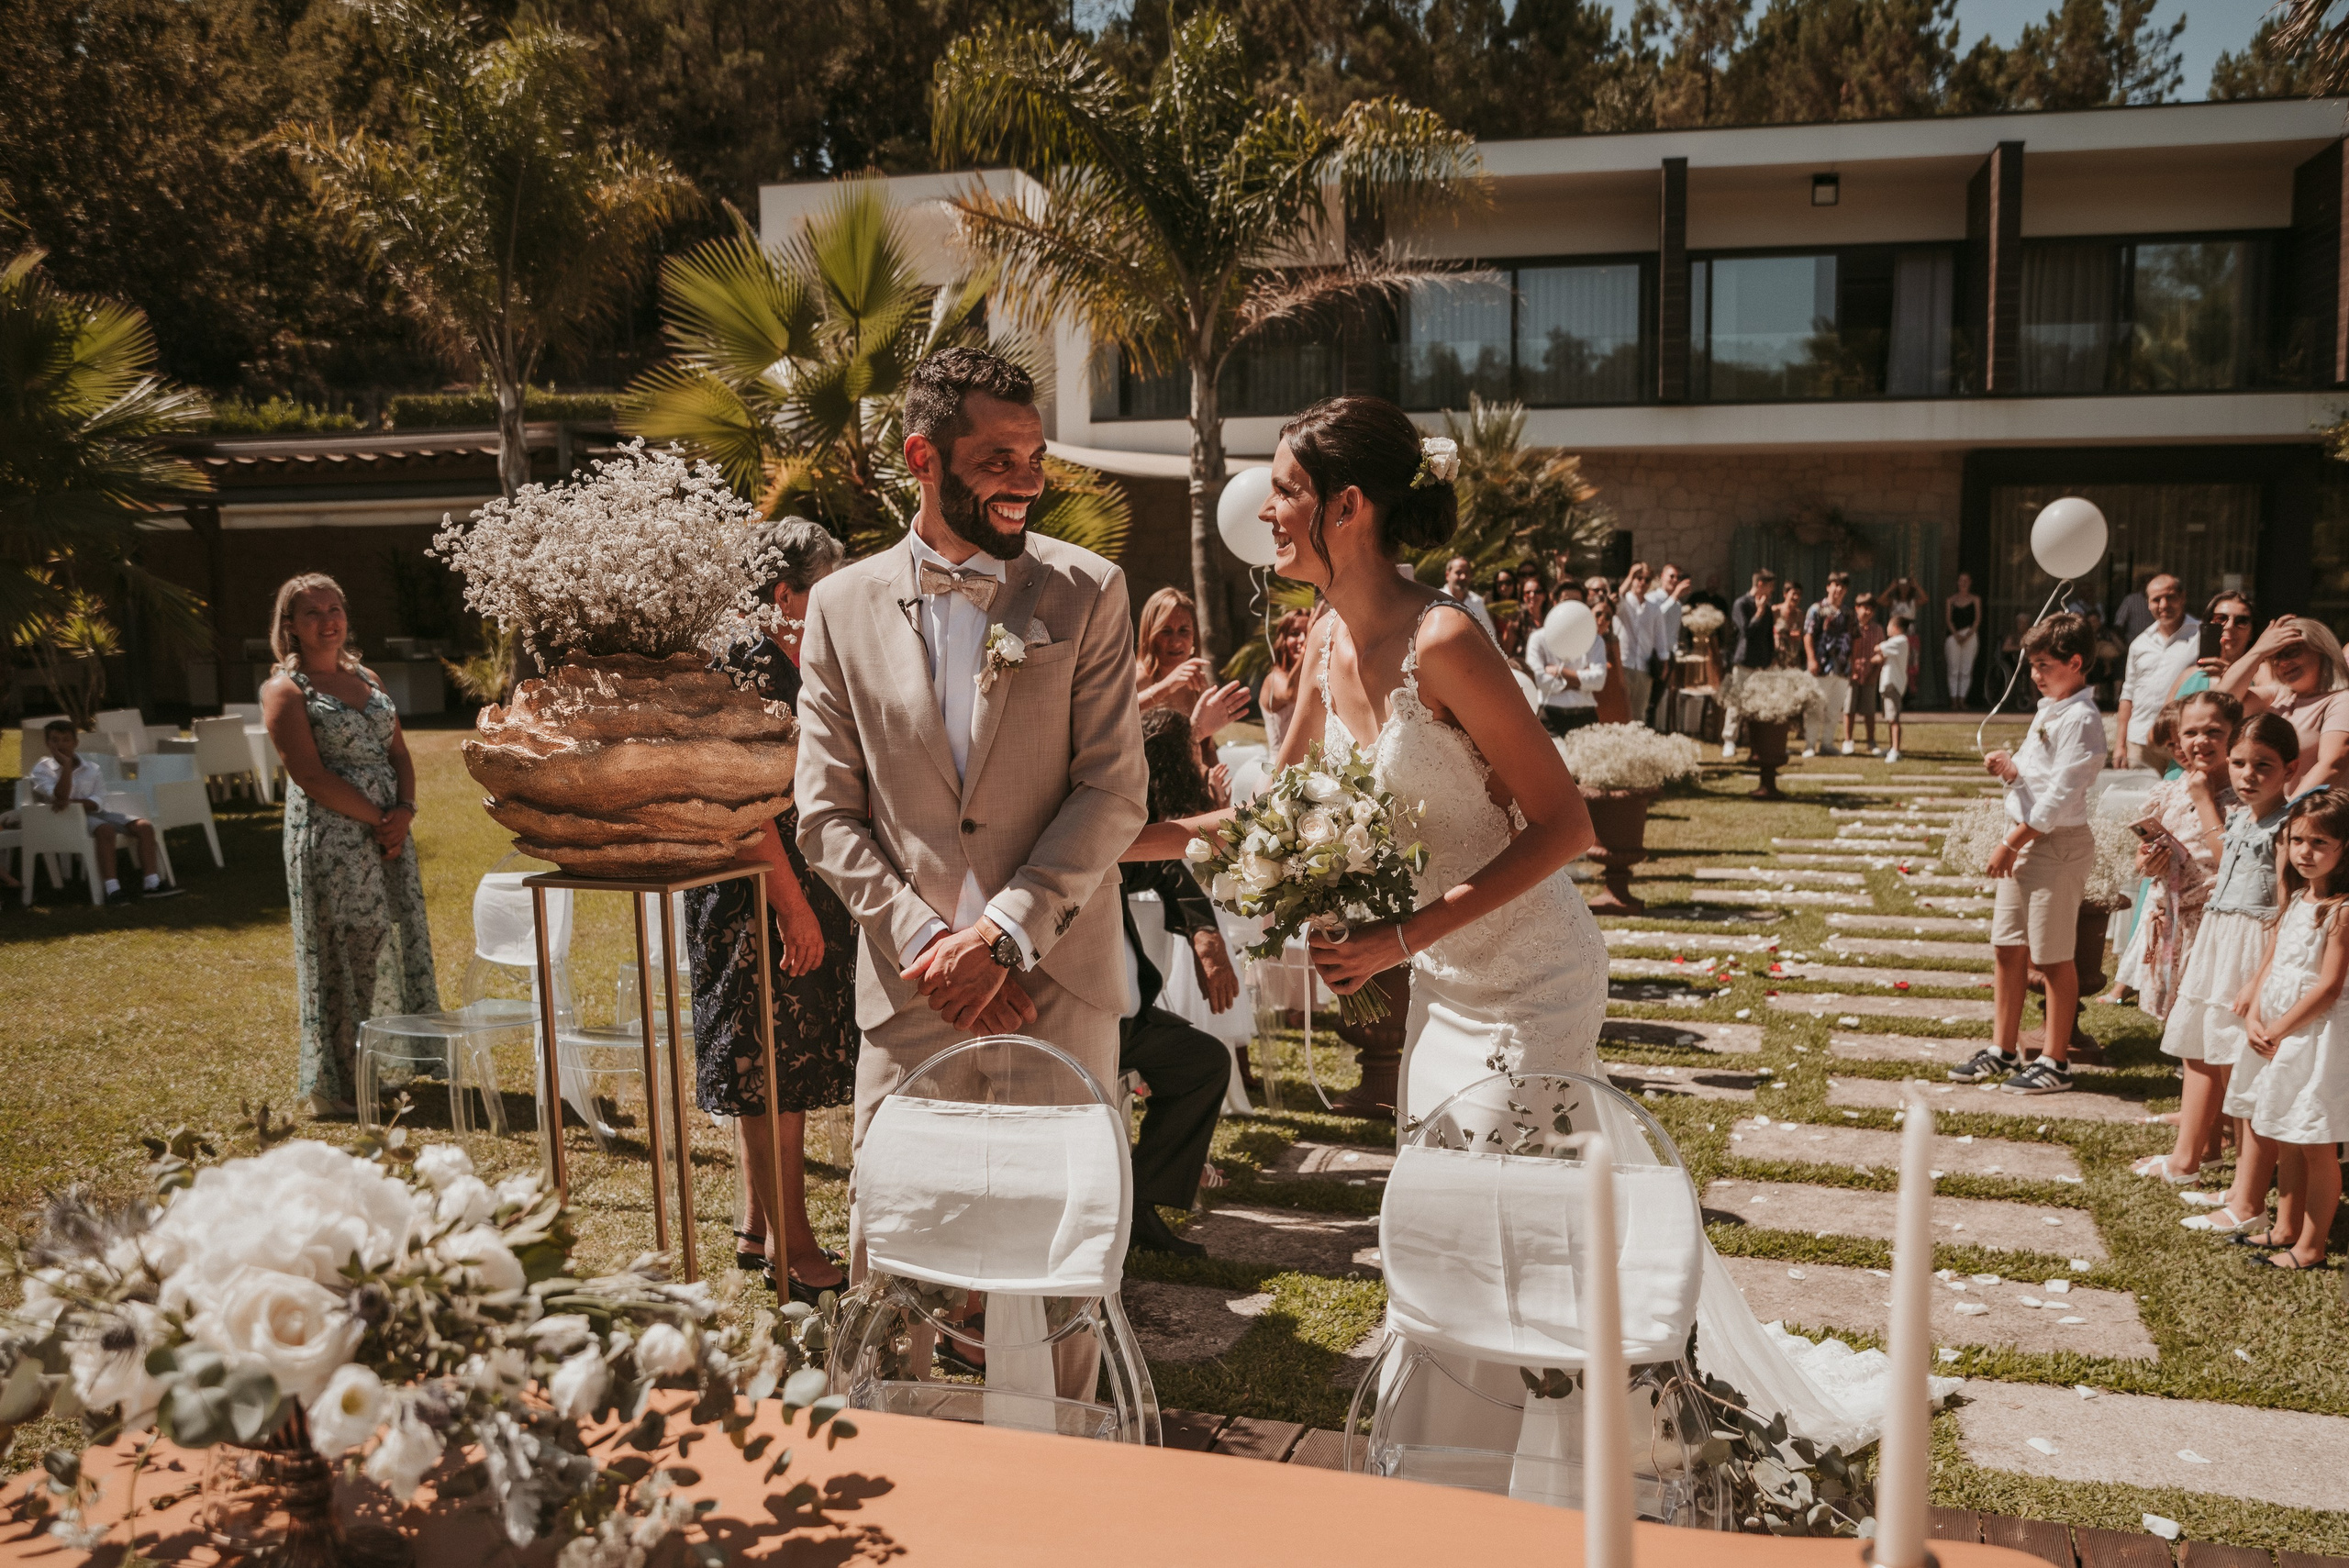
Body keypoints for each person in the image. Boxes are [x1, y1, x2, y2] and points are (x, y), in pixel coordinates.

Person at [1127, 392, 1923, 1452]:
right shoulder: (1319, 639)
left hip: (1533, 973)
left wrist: (1397, 938)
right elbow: (1272, 810)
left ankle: (1563, 1441)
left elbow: (1568, 824)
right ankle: (1478, 1443)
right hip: (1442, 987)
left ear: (1348, 504)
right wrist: (1112, 844)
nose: (1265, 509)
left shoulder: (1445, 640)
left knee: (1490, 1219)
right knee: (1453, 1217)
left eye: (1283, 490)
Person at [793, 344, 1149, 1400]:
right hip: (911, 1005)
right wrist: (924, 949)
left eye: (1033, 454)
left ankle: (1070, 1485)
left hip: (1056, 985)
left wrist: (998, 937)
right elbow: (826, 809)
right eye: (997, 454)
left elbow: (1112, 792)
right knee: (890, 1261)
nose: (1026, 477)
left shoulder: (1089, 593)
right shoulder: (839, 606)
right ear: (922, 454)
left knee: (1065, 1267)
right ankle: (899, 1481)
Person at [684, 517, 854, 1303]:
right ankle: (797, 1248)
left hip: (786, 886)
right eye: (826, 589)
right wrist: (794, 908)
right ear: (784, 595)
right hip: (760, 891)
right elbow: (748, 803)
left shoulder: (790, 657)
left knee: (770, 1066)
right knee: (773, 1073)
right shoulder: (746, 667)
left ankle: (757, 1224)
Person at [260, 573, 437, 1118]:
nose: (328, 620)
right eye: (312, 612)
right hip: (334, 837)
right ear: (289, 626)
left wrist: (403, 814)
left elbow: (399, 754)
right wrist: (381, 818)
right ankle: (334, 1085)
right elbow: (309, 776)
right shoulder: (286, 692)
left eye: (334, 608)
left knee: (378, 943)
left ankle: (368, 1067)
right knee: (340, 949)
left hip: (388, 833)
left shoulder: (367, 676)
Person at [1952, 613, 2107, 1095]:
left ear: (2075, 662)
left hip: (2054, 845)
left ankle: (2055, 1060)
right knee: (2007, 946)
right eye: (2033, 665)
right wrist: (2012, 770)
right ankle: (2002, 1048)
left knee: (2054, 956)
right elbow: (2039, 778)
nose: (2035, 675)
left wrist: (2009, 842)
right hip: (2027, 839)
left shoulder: (2082, 719)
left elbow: (2061, 797)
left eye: (2043, 665)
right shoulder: (2050, 709)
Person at [1112, 710, 1243, 1256]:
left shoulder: (1117, 831)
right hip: (1073, 1015)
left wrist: (1205, 935)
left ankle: (1138, 1203)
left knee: (1204, 1062)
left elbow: (1162, 863)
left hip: (1126, 1015)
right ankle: (1116, 1209)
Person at [2141, 706, 2284, 1191]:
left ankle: (2244, 1185)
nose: (2248, 775)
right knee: (2199, 1044)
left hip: (2247, 943)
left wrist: (2262, 977)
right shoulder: (2243, 817)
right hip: (2216, 940)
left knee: (2238, 1057)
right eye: (2242, 763)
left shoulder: (2275, 823)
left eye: (2262, 765)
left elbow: (2275, 903)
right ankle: (2196, 1157)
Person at [2224, 786, 2349, 1271]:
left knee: (2315, 1142)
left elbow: (2328, 987)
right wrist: (2255, 1015)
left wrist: (2276, 1028)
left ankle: (2312, 1247)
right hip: (2278, 1032)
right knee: (2285, 1131)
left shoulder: (2340, 910)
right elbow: (2271, 965)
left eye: (2320, 843)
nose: (2306, 852)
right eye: (2298, 840)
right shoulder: (2298, 898)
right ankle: (2284, 1226)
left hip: (2314, 1038)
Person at [2112, 692, 2241, 1034]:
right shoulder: (2169, 791)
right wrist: (2148, 861)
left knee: (2209, 1018)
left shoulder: (2244, 793)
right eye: (2190, 733)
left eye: (2213, 732)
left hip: (2213, 923)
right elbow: (2142, 861)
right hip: (2172, 918)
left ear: (2235, 733)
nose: (2200, 741)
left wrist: (2203, 797)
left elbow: (2234, 863)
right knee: (2178, 1021)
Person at [26, 718, 178, 903]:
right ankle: (112, 889)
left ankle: (152, 883)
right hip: (64, 819)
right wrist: (65, 767)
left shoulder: (92, 768)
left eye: (66, 740)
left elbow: (97, 800)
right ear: (47, 744)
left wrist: (71, 801)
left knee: (144, 826)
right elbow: (58, 796)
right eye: (55, 740)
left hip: (95, 813)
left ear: (75, 742)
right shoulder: (42, 769)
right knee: (105, 830)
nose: (61, 745)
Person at [2214, 615, 2349, 794]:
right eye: (2275, 657)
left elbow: (2333, 764)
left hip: (2309, 816)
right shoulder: (2278, 696)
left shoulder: (2342, 700)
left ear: (2322, 651)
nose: (2283, 663)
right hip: (2269, 816)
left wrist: (2288, 812)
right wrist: (2259, 650)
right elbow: (2220, 703)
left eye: (2292, 652)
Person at [1133, 584, 1249, 768]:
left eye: (1184, 631)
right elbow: (1120, 714)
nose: (1176, 641)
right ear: (1150, 634)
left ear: (1194, 636)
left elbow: (1207, 748)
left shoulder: (1196, 682)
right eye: (1166, 631)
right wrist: (1168, 685)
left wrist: (1216, 792)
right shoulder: (1140, 677)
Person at [2114, 574, 2199, 772]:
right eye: (2156, 600)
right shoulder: (2140, 643)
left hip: (2183, 743)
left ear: (2183, 597)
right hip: (2140, 742)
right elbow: (2128, 696)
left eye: (2170, 597)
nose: (2164, 604)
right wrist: (2120, 745)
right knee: (2142, 801)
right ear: (2148, 604)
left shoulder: (2200, 636)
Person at [1526, 597, 1609, 736]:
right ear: (1555, 603)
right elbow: (1538, 679)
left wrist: (1559, 671)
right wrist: (1579, 679)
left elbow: (1598, 681)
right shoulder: (1538, 638)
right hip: (1550, 716)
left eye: (1576, 600)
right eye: (1565, 600)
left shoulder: (1595, 640)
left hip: (1585, 715)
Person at [2162, 590, 2256, 710]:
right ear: (2207, 624)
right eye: (2220, 618)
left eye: (2241, 621)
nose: (2229, 626)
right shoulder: (2188, 676)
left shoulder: (2260, 674)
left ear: (2252, 632)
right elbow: (2160, 726)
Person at [1720, 569, 1777, 757]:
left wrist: (1770, 659)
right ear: (1760, 584)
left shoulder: (1768, 608)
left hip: (1762, 663)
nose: (1772, 591)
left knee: (1761, 705)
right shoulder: (1741, 604)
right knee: (1736, 703)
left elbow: (1769, 636)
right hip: (1744, 661)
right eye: (1770, 586)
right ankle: (1729, 741)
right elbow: (1745, 632)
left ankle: (1759, 741)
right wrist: (1759, 612)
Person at [1802, 573, 1855, 758]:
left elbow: (1853, 639)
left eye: (1843, 586)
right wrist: (1811, 659)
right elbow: (1808, 634)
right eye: (1835, 585)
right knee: (1815, 707)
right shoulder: (1816, 609)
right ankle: (1810, 745)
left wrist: (1852, 663)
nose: (1839, 589)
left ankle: (1827, 744)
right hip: (1821, 665)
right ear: (1828, 586)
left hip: (1841, 667)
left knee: (1834, 710)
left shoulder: (1849, 613)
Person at [1256, 606, 1314, 752]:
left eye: (1307, 633)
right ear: (1283, 640)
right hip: (1282, 770)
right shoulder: (1273, 679)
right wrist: (1309, 645)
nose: (1302, 639)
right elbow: (1291, 693)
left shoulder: (1317, 679)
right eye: (1295, 633)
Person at [1645, 564, 1690, 729]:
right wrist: (1675, 596)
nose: (1674, 580)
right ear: (1662, 576)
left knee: (1656, 698)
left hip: (1669, 654)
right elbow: (1655, 619)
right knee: (1647, 699)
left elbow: (1673, 633)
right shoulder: (1652, 598)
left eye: (1677, 577)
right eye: (1671, 576)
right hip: (1653, 654)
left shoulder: (1677, 605)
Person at [1615, 562, 1656, 728]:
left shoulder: (1653, 608)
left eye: (1646, 579)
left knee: (1639, 712)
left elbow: (1659, 637)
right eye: (1639, 578)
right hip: (1624, 663)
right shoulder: (1624, 602)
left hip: (1643, 666)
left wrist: (1664, 660)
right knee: (1621, 709)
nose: (1642, 582)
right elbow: (1614, 600)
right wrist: (1630, 576)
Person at [1846, 590, 1886, 754]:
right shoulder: (1850, 627)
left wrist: (1875, 674)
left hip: (1870, 674)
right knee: (1849, 708)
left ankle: (1871, 740)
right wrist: (1850, 671)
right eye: (1864, 608)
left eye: (1871, 609)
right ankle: (1848, 740)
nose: (1868, 612)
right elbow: (1845, 651)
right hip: (1851, 674)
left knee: (1869, 710)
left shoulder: (1877, 630)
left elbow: (1882, 654)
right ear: (1857, 608)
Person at [1590, 593, 1633, 726]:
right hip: (1589, 700)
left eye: (1608, 617)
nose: (1602, 619)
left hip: (1612, 700)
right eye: (1598, 614)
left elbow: (1621, 678)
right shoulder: (1580, 640)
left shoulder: (1612, 641)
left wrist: (1628, 709)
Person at [1876, 613, 1912, 763]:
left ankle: (1896, 750)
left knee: (1894, 719)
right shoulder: (1897, 642)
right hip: (1888, 685)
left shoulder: (1900, 640)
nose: (1887, 629)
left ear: (1896, 628)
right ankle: (1892, 748)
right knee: (1890, 719)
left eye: (1889, 626)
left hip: (1893, 685)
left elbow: (1878, 648)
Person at [1944, 572, 1982, 709]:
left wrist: (1968, 635)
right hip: (1953, 636)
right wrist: (1956, 634)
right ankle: (1953, 700)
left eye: (1966, 580)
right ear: (1957, 582)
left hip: (1970, 635)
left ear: (1970, 582)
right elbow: (1949, 619)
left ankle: (1962, 699)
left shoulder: (1975, 599)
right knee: (1954, 669)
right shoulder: (1951, 600)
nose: (1963, 583)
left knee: (1966, 669)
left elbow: (1977, 619)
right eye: (1961, 580)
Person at [1440, 554, 1497, 639]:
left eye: (1467, 573)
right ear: (1447, 575)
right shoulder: (1436, 599)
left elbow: (1490, 634)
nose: (1463, 577)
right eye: (1458, 572)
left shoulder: (1477, 601)